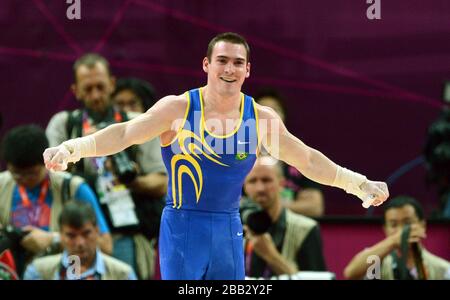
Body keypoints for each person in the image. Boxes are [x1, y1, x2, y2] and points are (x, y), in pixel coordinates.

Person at [43, 32, 389, 280]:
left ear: (248, 70)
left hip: (228, 227)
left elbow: (307, 160)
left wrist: (356, 183)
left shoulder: (261, 119)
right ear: (207, 64)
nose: (229, 68)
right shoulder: (178, 108)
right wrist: (73, 149)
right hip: (181, 226)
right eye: (222, 60)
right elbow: (124, 134)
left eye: (238, 63)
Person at [45, 54, 167, 279]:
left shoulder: (138, 123)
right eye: (88, 88)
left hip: (124, 232)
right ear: (76, 90)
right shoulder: (65, 125)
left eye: (100, 87)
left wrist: (130, 179)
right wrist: (74, 161)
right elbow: (52, 178)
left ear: (112, 84)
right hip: (78, 233)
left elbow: (162, 183)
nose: (96, 95)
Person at [0, 125, 112, 277]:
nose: (23, 180)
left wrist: (54, 239)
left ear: (46, 163)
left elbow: (106, 245)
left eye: (31, 174)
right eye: (16, 174)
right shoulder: (2, 184)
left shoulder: (73, 188)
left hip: (60, 272)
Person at [241, 156, 326, 278]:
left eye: (266, 180)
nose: (260, 188)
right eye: (252, 181)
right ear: (244, 186)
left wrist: (271, 256)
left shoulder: (306, 229)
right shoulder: (232, 228)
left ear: (281, 183)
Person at [254, 88, 324, 217]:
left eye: (275, 110)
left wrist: (270, 206)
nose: (270, 116)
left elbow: (314, 207)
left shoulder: (301, 158)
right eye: (263, 110)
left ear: (283, 118)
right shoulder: (238, 159)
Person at [23, 201, 137, 280]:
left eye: (86, 234)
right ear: (61, 236)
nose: (80, 243)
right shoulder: (38, 271)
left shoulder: (123, 274)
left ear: (97, 231)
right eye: (71, 236)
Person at [344, 196, 450, 280]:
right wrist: (394, 241)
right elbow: (350, 273)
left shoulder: (443, 269)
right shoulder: (376, 262)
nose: (401, 231)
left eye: (407, 223)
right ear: (385, 229)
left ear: (422, 225)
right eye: (394, 225)